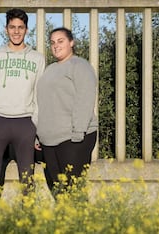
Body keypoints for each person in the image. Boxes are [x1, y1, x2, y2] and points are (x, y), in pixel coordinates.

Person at [0, 8, 45, 200]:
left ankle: (28, 222)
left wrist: (35, 123)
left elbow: (39, 95)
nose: (16, 31)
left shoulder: (37, 58)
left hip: (25, 123)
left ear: (26, 30)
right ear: (6, 29)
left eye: (21, 27)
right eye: (12, 27)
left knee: (27, 178)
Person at [36, 27, 98, 197]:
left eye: (61, 41)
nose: (56, 45)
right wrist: (39, 134)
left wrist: (78, 132)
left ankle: (80, 224)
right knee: (58, 191)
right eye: (53, 42)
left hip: (73, 138)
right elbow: (42, 103)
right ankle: (65, 224)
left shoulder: (80, 66)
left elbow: (85, 98)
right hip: (49, 140)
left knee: (73, 189)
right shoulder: (48, 71)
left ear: (71, 43)